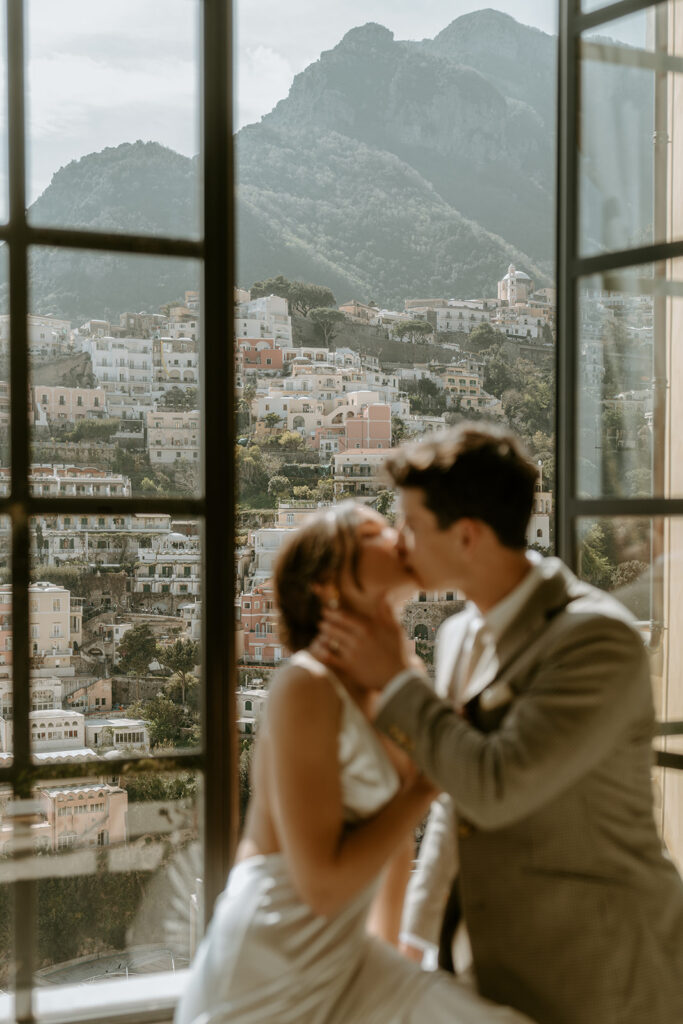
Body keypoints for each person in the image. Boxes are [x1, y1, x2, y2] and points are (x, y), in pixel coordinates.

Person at [316, 426, 683, 1024]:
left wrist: (396, 679)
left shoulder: (598, 640)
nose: (401, 543)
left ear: (467, 536)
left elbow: (495, 786)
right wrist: (416, 932)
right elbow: (451, 796)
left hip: (608, 971)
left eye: (411, 525)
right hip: (492, 969)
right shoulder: (458, 634)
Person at [175, 502, 533, 1024]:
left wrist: (394, 951)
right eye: (375, 532)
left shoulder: (398, 674)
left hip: (350, 960)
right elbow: (320, 887)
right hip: (272, 959)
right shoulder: (306, 684)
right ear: (326, 583)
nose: (396, 536)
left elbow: (390, 854)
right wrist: (422, 788)